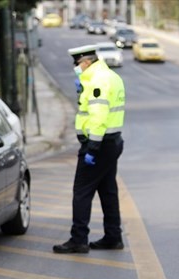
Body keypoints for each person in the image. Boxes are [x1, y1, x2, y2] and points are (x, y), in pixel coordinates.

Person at [53, 44, 126, 254]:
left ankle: (79, 240)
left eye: (77, 64)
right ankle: (113, 236)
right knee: (107, 190)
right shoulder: (110, 76)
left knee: (81, 192)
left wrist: (92, 148)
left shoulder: (98, 81)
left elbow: (98, 116)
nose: (76, 68)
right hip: (113, 142)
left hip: (99, 144)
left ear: (86, 61)